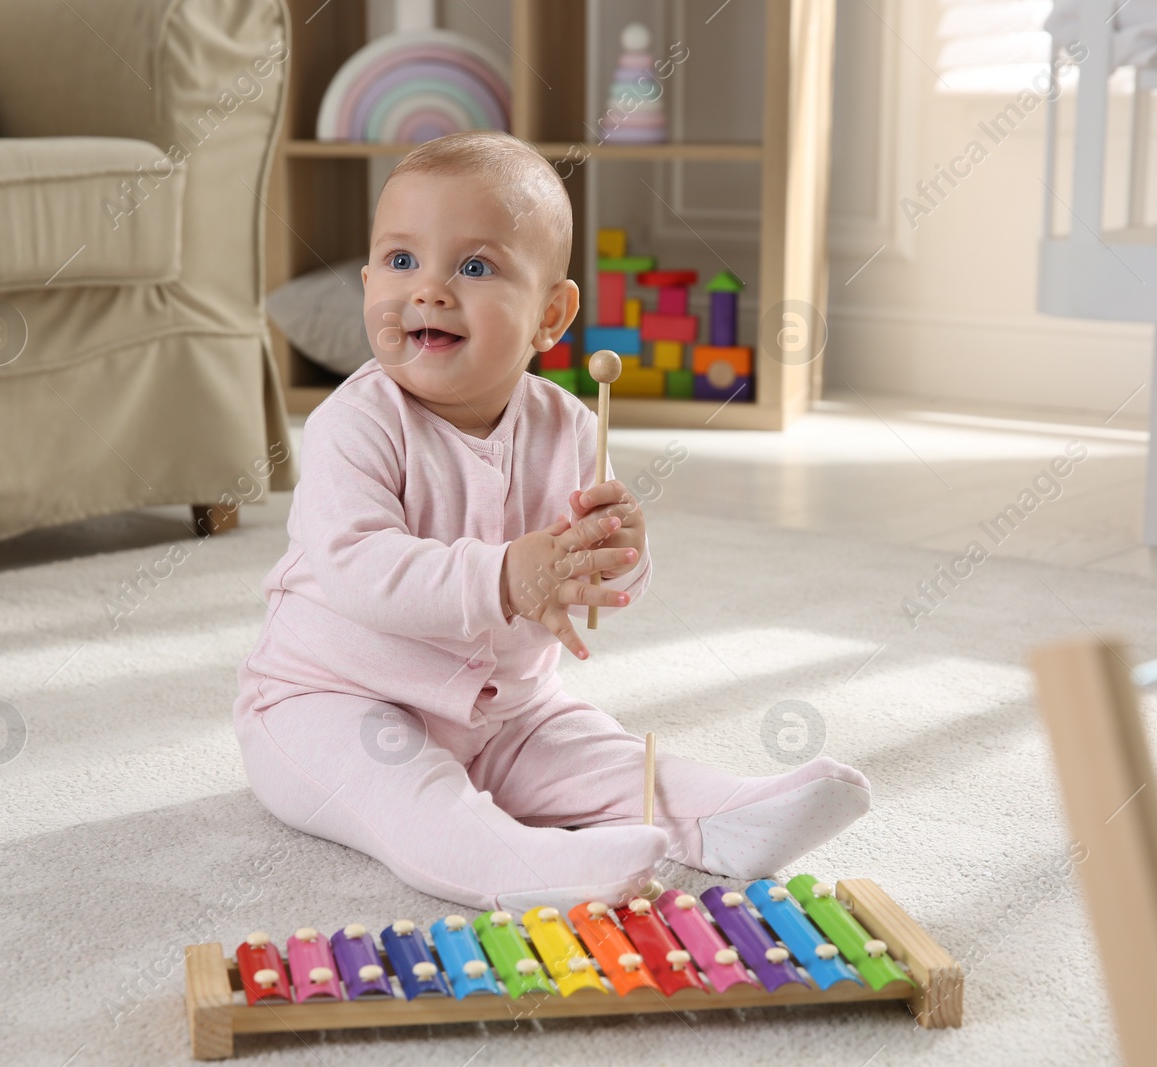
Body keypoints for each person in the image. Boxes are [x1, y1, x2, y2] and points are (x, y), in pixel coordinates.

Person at [233, 129, 870, 912]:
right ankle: (514, 862)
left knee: (602, 753)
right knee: (405, 790)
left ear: (551, 315)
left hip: (509, 711)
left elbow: (586, 573)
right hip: (334, 702)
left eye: (474, 267)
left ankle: (724, 816)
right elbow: (360, 570)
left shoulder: (568, 427)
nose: (428, 289)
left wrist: (620, 553)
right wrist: (504, 574)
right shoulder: (354, 423)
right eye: (402, 261)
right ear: (366, 283)